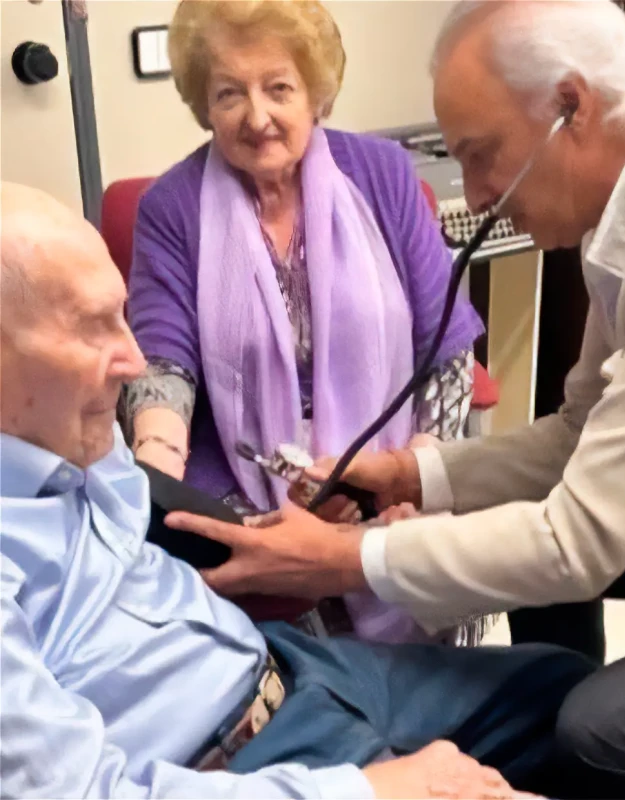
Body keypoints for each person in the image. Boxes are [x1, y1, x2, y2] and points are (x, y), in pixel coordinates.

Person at [167, 1, 625, 798]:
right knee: (520, 573)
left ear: (572, 107)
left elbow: (578, 544)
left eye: (481, 155)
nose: (475, 193)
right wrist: (406, 475)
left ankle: (593, 745)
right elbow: (578, 437)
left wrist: (342, 561)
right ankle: (558, 727)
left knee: (608, 730)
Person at [0, 182, 596, 799]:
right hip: (223, 760)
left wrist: (394, 487)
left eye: (122, 318)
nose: (131, 358)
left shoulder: (66, 426)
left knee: (583, 704)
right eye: (92, 327)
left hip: (286, 662)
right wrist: (374, 791)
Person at [124, 0, 489, 645]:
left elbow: (446, 348)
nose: (257, 116)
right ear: (203, 104)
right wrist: (154, 478)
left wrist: (415, 474)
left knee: (429, 555)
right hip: (245, 473)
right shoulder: (172, 208)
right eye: (230, 93)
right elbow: (163, 367)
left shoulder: (381, 174)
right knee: (264, 587)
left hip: (390, 466)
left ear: (315, 93)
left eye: (279, 88)